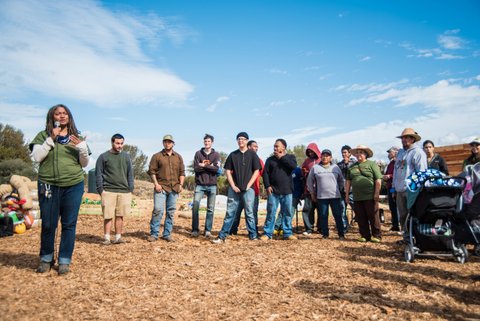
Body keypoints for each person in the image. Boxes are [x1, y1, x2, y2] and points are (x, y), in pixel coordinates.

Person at [30, 104, 90, 275]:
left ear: (69, 117)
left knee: (69, 224)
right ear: (52, 117)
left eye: (65, 113)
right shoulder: (42, 136)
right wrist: (51, 139)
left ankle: (64, 260)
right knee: (49, 224)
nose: (62, 116)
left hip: (73, 185)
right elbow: (37, 157)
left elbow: (84, 164)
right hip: (48, 184)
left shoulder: (76, 138)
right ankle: (46, 258)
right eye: (58, 114)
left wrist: (83, 149)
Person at [212, 132, 261, 243]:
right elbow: (227, 171)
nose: (240, 141)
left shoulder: (252, 155)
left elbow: (257, 171)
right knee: (230, 213)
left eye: (243, 139)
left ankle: (253, 235)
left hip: (249, 190)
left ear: (247, 140)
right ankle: (222, 236)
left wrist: (249, 185)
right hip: (235, 190)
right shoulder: (233, 155)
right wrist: (233, 186)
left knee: (249, 213)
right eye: (239, 139)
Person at [95, 133, 134, 245]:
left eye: (121, 143)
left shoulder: (126, 156)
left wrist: (130, 188)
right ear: (112, 142)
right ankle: (107, 238)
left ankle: (118, 237)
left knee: (120, 215)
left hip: (124, 191)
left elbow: (130, 173)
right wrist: (101, 190)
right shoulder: (103, 157)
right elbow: (98, 174)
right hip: (108, 190)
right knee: (108, 216)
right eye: (117, 143)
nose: (119, 145)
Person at [147, 135, 185, 242]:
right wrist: (156, 184)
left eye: (169, 142)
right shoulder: (157, 156)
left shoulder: (178, 157)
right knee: (158, 210)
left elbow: (182, 172)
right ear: (163, 143)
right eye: (165, 142)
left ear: (173, 143)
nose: (167, 143)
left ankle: (167, 234)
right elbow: (152, 171)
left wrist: (181, 185)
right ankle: (154, 234)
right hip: (161, 188)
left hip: (174, 188)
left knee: (171, 212)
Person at [260, 139, 298, 241]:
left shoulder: (290, 157)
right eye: (274, 146)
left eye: (277, 146)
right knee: (271, 212)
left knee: (287, 213)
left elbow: (293, 166)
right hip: (274, 191)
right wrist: (267, 186)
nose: (275, 148)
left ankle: (287, 233)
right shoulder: (270, 160)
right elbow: (265, 174)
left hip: (287, 191)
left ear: (283, 147)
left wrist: (282, 157)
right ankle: (267, 233)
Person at [345, 145, 383, 243]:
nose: (358, 154)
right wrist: (347, 195)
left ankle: (377, 235)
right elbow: (348, 181)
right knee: (360, 217)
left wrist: (376, 193)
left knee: (373, 216)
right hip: (357, 196)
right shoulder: (351, 167)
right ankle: (365, 235)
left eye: (361, 152)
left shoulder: (372, 164)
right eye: (357, 152)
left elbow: (378, 179)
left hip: (370, 195)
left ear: (366, 154)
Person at [393, 128, 427, 231]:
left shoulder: (418, 153)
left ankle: (415, 238)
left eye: (406, 137)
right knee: (402, 215)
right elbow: (396, 170)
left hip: (412, 190)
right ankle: (406, 237)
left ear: (413, 139)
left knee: (413, 214)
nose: (403, 140)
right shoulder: (400, 153)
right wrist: (393, 187)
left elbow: (421, 172)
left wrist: (418, 188)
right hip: (399, 189)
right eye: (402, 138)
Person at [307, 149, 345, 239]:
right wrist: (312, 193)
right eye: (323, 155)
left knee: (337, 215)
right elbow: (309, 181)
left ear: (330, 157)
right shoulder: (315, 168)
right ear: (321, 157)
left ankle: (341, 234)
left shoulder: (336, 167)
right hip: (321, 197)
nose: (325, 157)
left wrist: (340, 190)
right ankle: (325, 234)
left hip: (335, 196)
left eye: (327, 156)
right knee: (323, 216)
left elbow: (341, 180)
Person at [229, 140, 264, 235]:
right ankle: (232, 230)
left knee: (252, 213)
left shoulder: (259, 160)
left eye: (257, 147)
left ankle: (253, 232)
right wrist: (234, 186)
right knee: (236, 212)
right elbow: (231, 173)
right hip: (239, 191)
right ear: (248, 147)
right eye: (254, 146)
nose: (256, 148)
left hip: (253, 191)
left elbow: (263, 174)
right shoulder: (238, 158)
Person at [191, 134, 221, 238]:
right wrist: (210, 166)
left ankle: (208, 230)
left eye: (208, 141)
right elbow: (196, 168)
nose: (206, 143)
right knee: (195, 206)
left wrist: (203, 165)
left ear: (212, 142)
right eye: (205, 141)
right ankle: (195, 229)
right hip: (200, 184)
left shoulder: (216, 154)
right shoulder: (198, 153)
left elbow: (217, 169)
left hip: (212, 185)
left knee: (211, 208)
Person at [273, 166, 303, 234]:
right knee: (282, 211)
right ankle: (277, 227)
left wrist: (301, 193)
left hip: (295, 194)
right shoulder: (283, 169)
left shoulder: (298, 170)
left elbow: (302, 182)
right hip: (285, 193)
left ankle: (284, 227)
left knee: (290, 211)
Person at [301, 143, 321, 235]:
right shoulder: (307, 161)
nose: (310, 153)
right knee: (308, 209)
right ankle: (309, 228)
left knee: (321, 209)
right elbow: (302, 172)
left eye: (312, 151)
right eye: (308, 151)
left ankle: (321, 228)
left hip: (321, 190)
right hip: (308, 189)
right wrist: (304, 172)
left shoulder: (321, 160)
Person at [336, 145, 356, 232]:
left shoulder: (354, 164)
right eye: (342, 153)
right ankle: (345, 227)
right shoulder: (339, 164)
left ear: (350, 153)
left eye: (345, 152)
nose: (343, 154)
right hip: (341, 191)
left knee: (358, 209)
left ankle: (361, 223)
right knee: (342, 210)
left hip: (352, 191)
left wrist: (348, 163)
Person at [383, 146, 400, 231]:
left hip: (395, 187)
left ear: (396, 153)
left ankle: (399, 225)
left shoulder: (398, 162)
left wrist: (389, 176)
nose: (388, 154)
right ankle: (395, 225)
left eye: (390, 152)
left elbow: (399, 174)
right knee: (392, 206)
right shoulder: (390, 163)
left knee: (396, 205)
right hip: (390, 187)